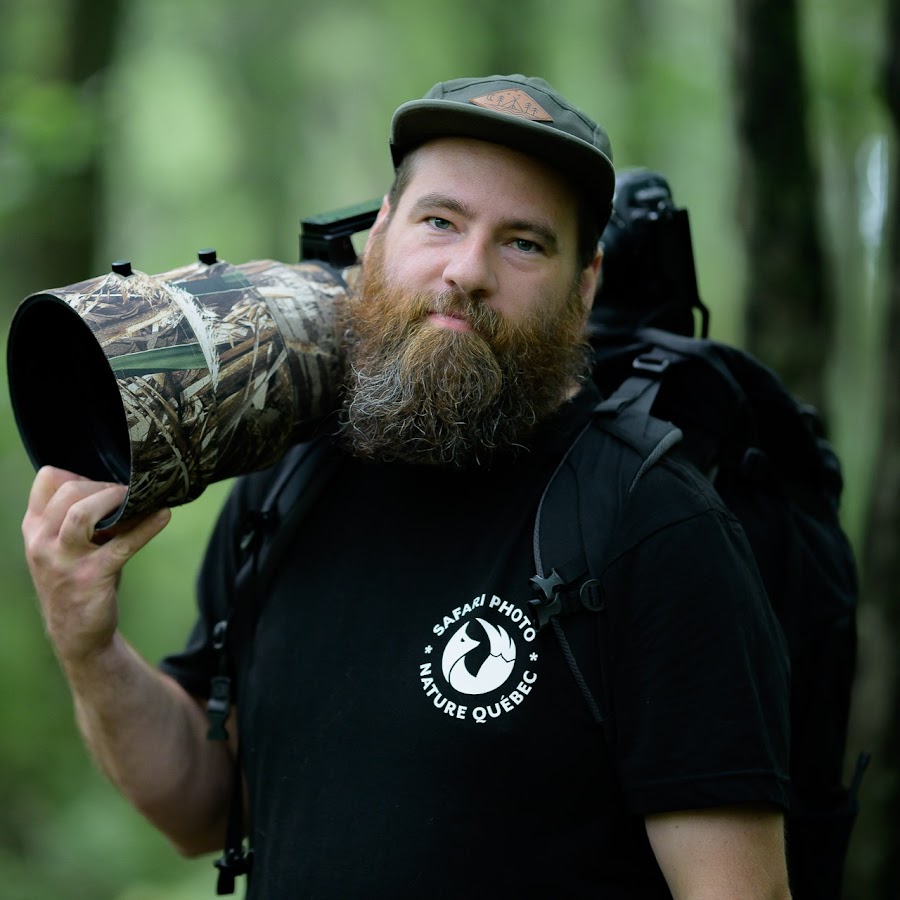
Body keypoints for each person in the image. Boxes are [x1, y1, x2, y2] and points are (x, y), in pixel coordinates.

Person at [22, 74, 793, 898]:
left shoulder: (653, 524)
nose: (467, 270)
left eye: (524, 242)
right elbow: (202, 809)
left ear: (586, 283)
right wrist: (88, 645)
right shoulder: (289, 477)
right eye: (440, 221)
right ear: (380, 233)